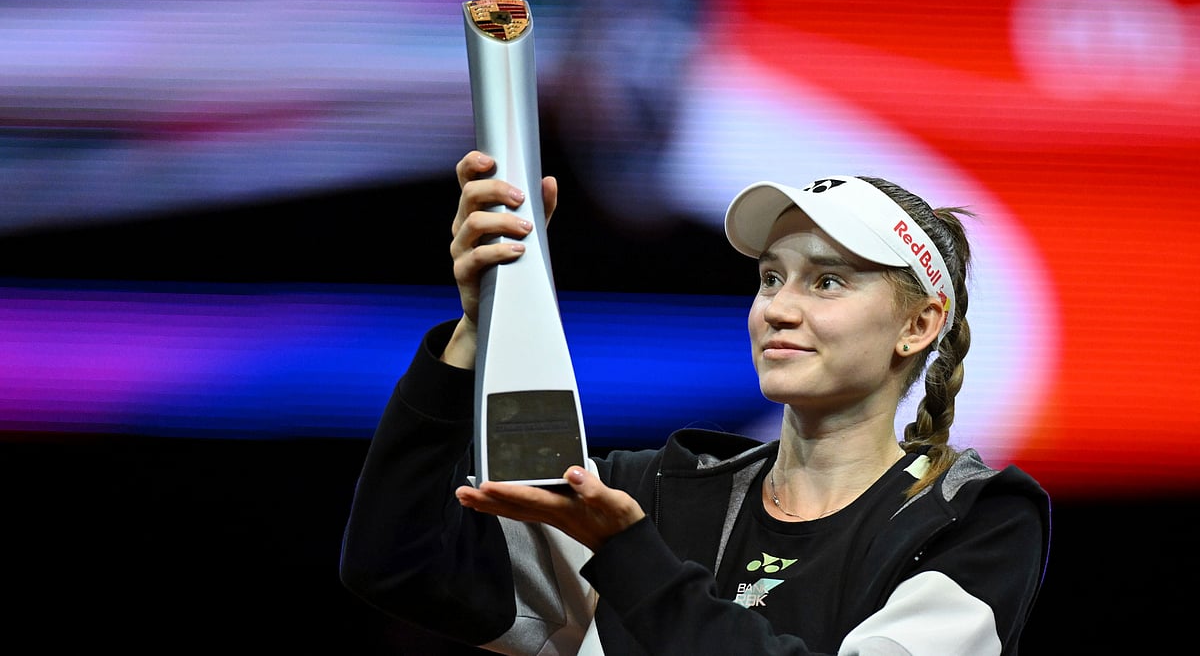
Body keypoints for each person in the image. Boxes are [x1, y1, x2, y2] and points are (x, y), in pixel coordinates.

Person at [339, 150, 1051, 655]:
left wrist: (627, 555)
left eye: (827, 282)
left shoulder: (973, 516)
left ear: (918, 325)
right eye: (772, 277)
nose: (778, 308)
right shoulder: (651, 489)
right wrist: (473, 327)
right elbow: (397, 561)